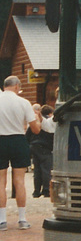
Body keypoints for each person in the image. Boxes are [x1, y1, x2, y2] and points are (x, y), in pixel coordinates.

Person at [0, 76, 40, 230]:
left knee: (1, 182)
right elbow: (35, 130)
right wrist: (37, 120)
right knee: (20, 181)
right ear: (17, 86)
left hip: (0, 139)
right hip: (18, 139)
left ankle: (2, 220)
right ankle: (22, 219)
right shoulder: (24, 103)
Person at [30, 104, 55, 198]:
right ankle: (46, 190)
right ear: (50, 113)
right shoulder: (51, 122)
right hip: (45, 148)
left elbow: (29, 134)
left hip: (35, 146)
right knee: (46, 170)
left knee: (37, 170)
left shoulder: (36, 121)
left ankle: (36, 191)